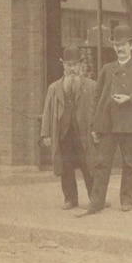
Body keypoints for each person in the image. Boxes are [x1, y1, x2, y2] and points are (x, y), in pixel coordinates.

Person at [77, 25, 132, 216]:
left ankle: (127, 200)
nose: (119, 48)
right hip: (108, 124)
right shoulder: (107, 69)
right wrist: (95, 125)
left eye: (123, 45)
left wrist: (130, 98)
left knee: (129, 164)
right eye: (116, 45)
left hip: (129, 124)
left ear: (131, 46)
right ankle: (96, 202)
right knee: (102, 164)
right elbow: (97, 97)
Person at [40, 46, 97, 210]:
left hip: (84, 134)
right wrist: (46, 134)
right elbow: (47, 112)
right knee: (66, 168)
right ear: (63, 66)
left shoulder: (92, 86)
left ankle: (95, 198)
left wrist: (97, 130)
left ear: (80, 66)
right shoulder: (54, 88)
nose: (72, 68)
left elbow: (98, 111)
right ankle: (70, 199)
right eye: (68, 65)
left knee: (89, 166)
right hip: (63, 135)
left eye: (75, 65)